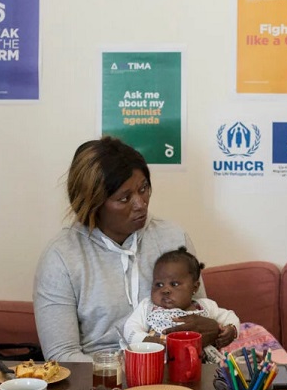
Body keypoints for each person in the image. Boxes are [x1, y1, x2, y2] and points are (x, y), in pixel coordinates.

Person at [34, 137, 236, 362]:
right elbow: (62, 355)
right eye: (124, 198)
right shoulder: (60, 257)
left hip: (176, 372)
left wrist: (211, 329)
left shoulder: (173, 237)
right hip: (101, 381)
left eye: (144, 189)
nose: (141, 204)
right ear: (93, 203)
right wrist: (128, 371)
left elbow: (196, 310)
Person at [122, 247, 239, 347]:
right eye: (159, 284)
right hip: (160, 360)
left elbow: (229, 316)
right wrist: (147, 341)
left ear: (195, 287)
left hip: (200, 361)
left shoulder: (204, 306)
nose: (165, 290)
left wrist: (231, 330)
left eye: (174, 284)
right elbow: (131, 328)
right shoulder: (148, 307)